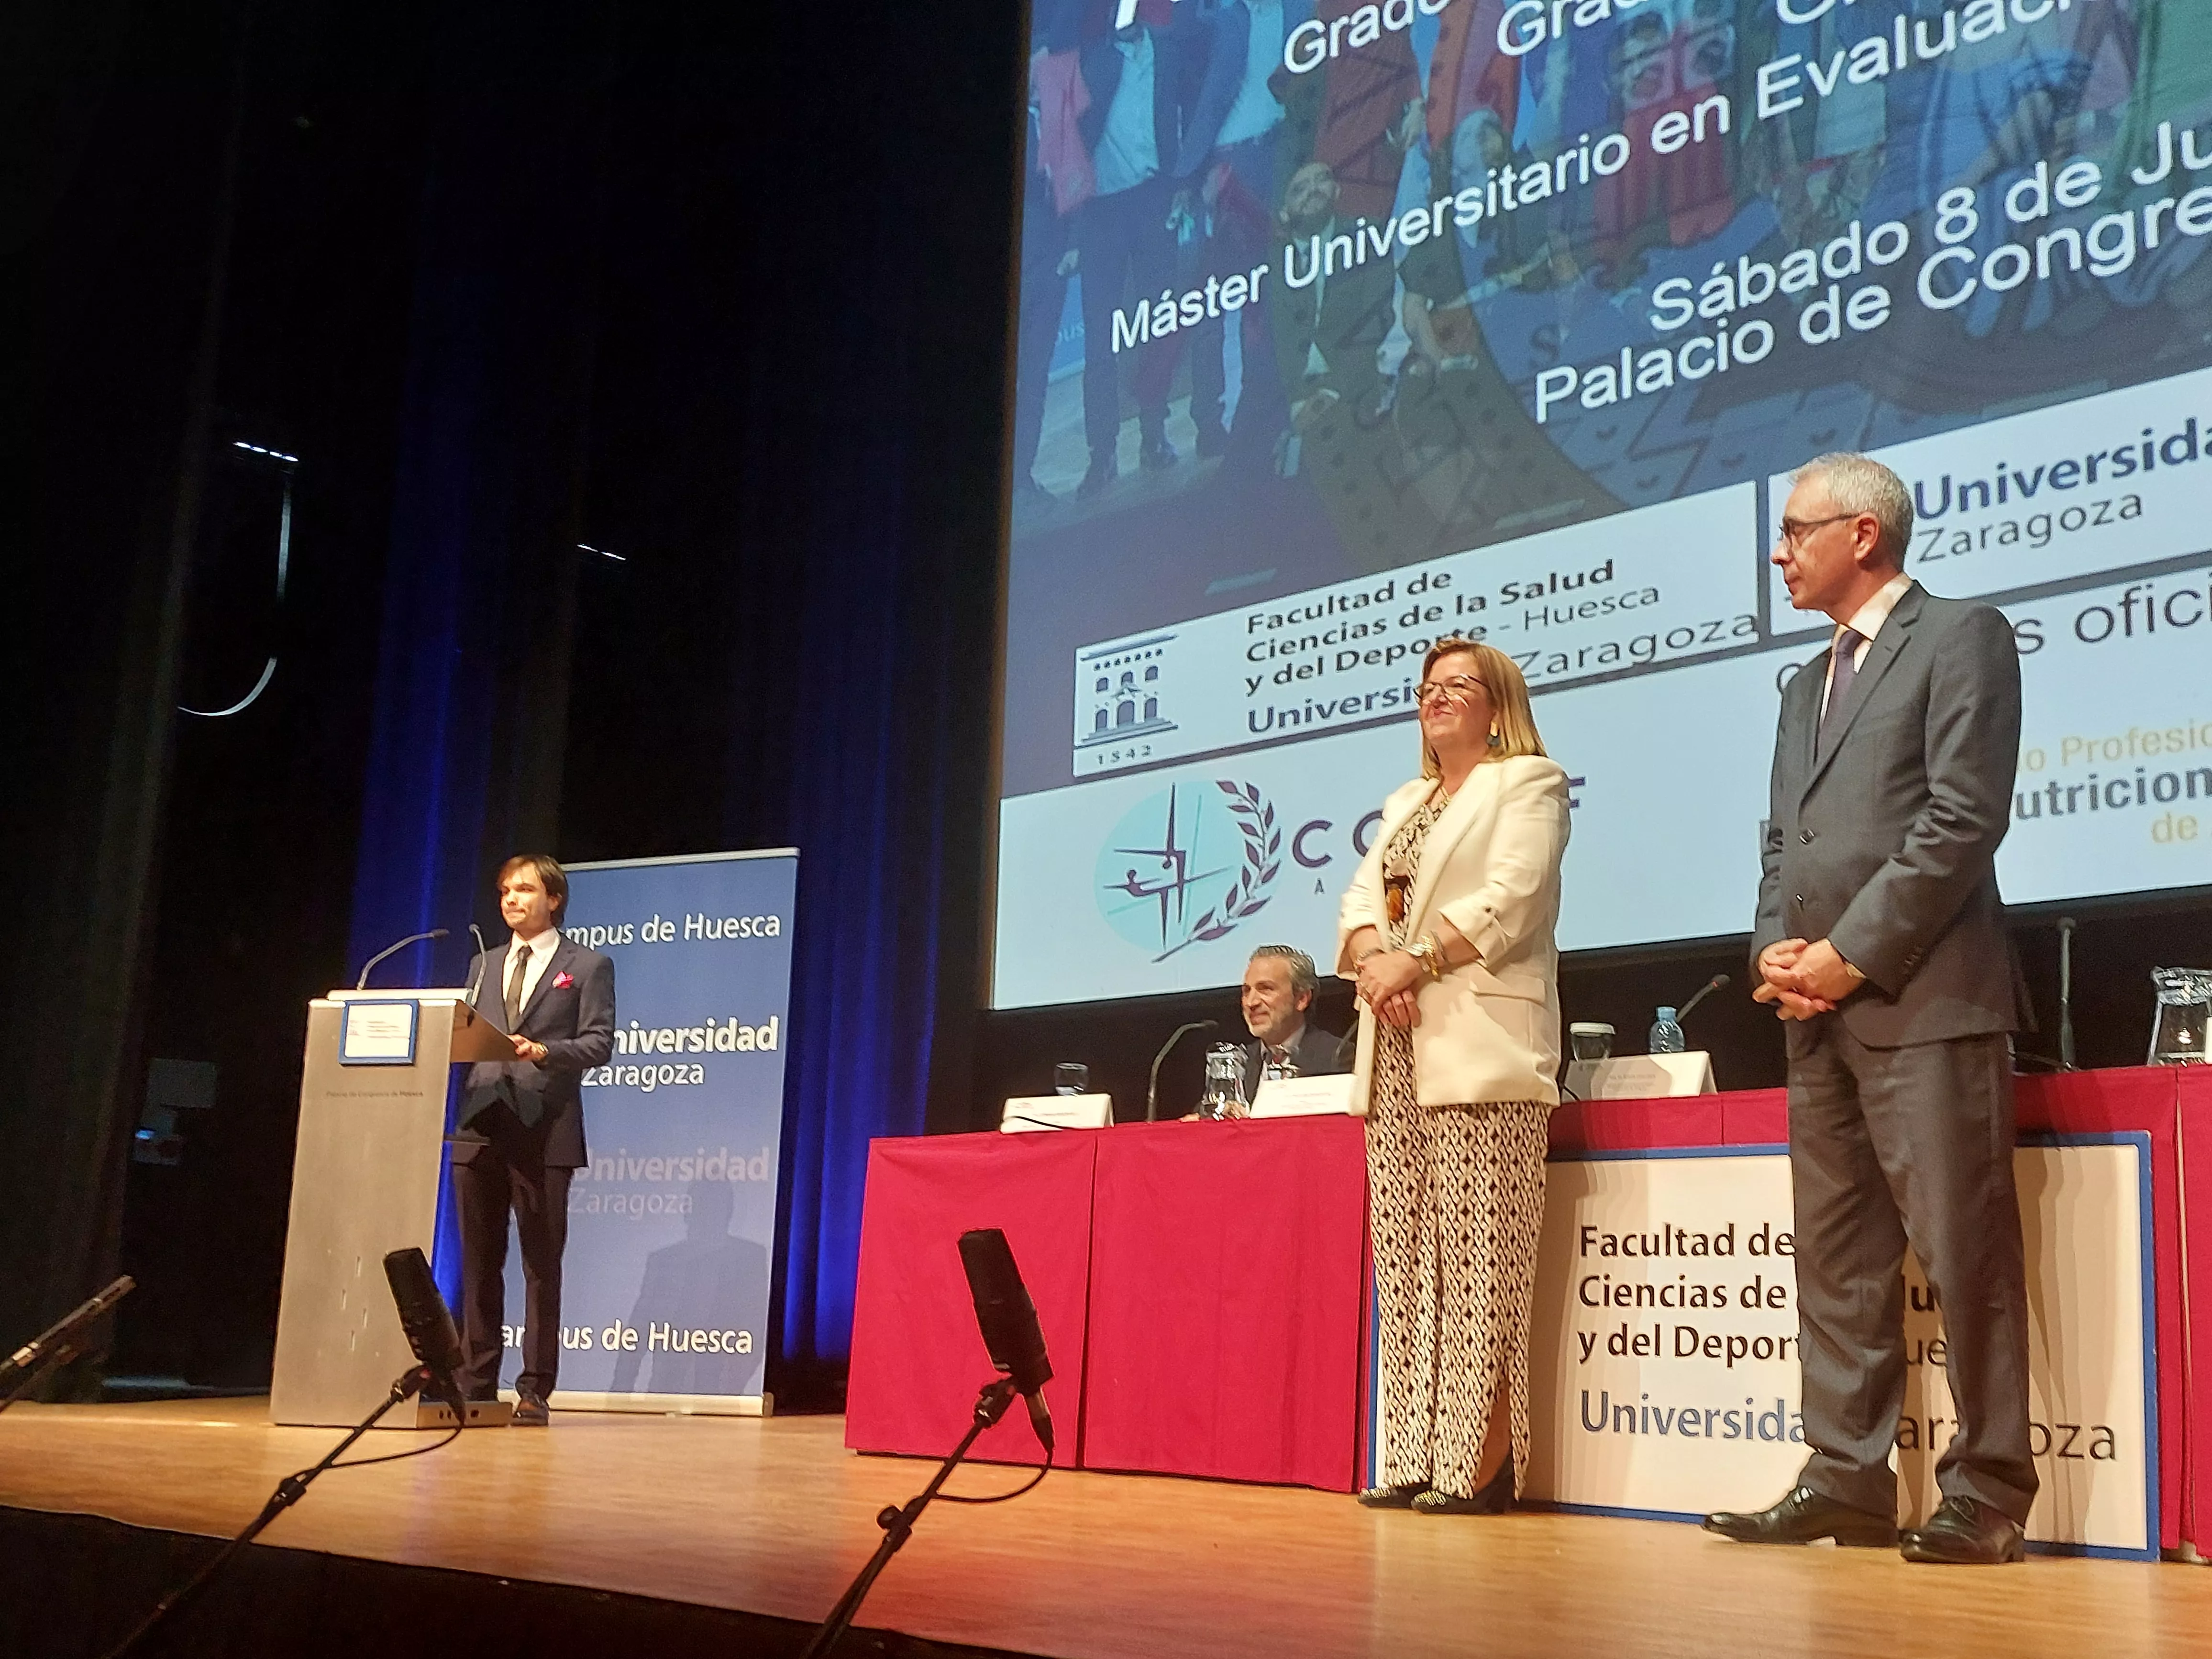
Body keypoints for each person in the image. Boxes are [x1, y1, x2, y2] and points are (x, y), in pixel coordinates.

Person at [1705, 453, 2035, 1564]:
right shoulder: (1803, 683)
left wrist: (1850, 952)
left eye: (1793, 530)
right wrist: (1774, 948)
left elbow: (1960, 818)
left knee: (1964, 1251)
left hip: (1926, 999)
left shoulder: (1960, 636)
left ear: (1860, 534)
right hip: (1814, 1013)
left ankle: (1985, 1490)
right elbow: (1779, 844)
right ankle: (1844, 1477)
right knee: (1835, 1260)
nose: (1777, 550)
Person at [1337, 638, 1570, 1514]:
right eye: (1426, 688)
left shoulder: (1530, 783)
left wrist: (1417, 961)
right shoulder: (1405, 800)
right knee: (1403, 1259)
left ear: (1496, 702)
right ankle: (1406, 1454)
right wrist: (1374, 964)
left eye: (1456, 686)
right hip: (1392, 1043)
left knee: (1480, 1260)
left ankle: (1474, 1464)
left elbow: (1512, 897)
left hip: (1481, 1049)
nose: (1435, 699)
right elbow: (1359, 903)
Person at [453, 854, 616, 1425]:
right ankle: (475, 1382)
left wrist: (545, 1051)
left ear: (554, 900)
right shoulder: (483, 964)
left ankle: (534, 1388)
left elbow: (599, 1044)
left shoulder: (588, 966)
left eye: (524, 890)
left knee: (540, 1266)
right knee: (477, 1264)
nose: (511, 899)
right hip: (479, 1126)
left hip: (544, 1129)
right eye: (504, 891)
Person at [1237, 943, 1349, 1098]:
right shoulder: (1239, 1061)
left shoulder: (1337, 1056)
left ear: (1302, 999)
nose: (1251, 1002)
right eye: (1247, 991)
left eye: (1266, 989)